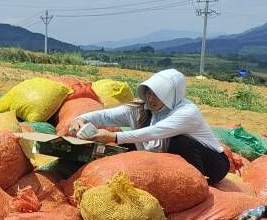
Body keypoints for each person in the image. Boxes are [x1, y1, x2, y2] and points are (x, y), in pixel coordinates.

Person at [66, 69, 229, 184]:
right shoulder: (141, 109)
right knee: (128, 141)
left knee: (179, 141)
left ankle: (196, 182)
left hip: (213, 165)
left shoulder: (187, 112)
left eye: (157, 95)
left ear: (171, 96)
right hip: (168, 159)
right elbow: (107, 115)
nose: (150, 99)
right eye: (149, 93)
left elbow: (155, 132)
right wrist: (81, 118)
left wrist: (114, 137)